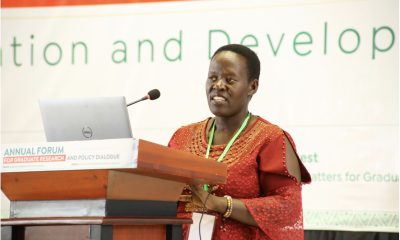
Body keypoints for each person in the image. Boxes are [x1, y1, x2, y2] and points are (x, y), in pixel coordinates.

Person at [168, 44, 311, 240]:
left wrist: (219, 204)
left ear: (252, 86)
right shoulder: (182, 137)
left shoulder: (270, 138)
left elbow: (287, 207)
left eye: (230, 79)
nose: (218, 85)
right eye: (213, 77)